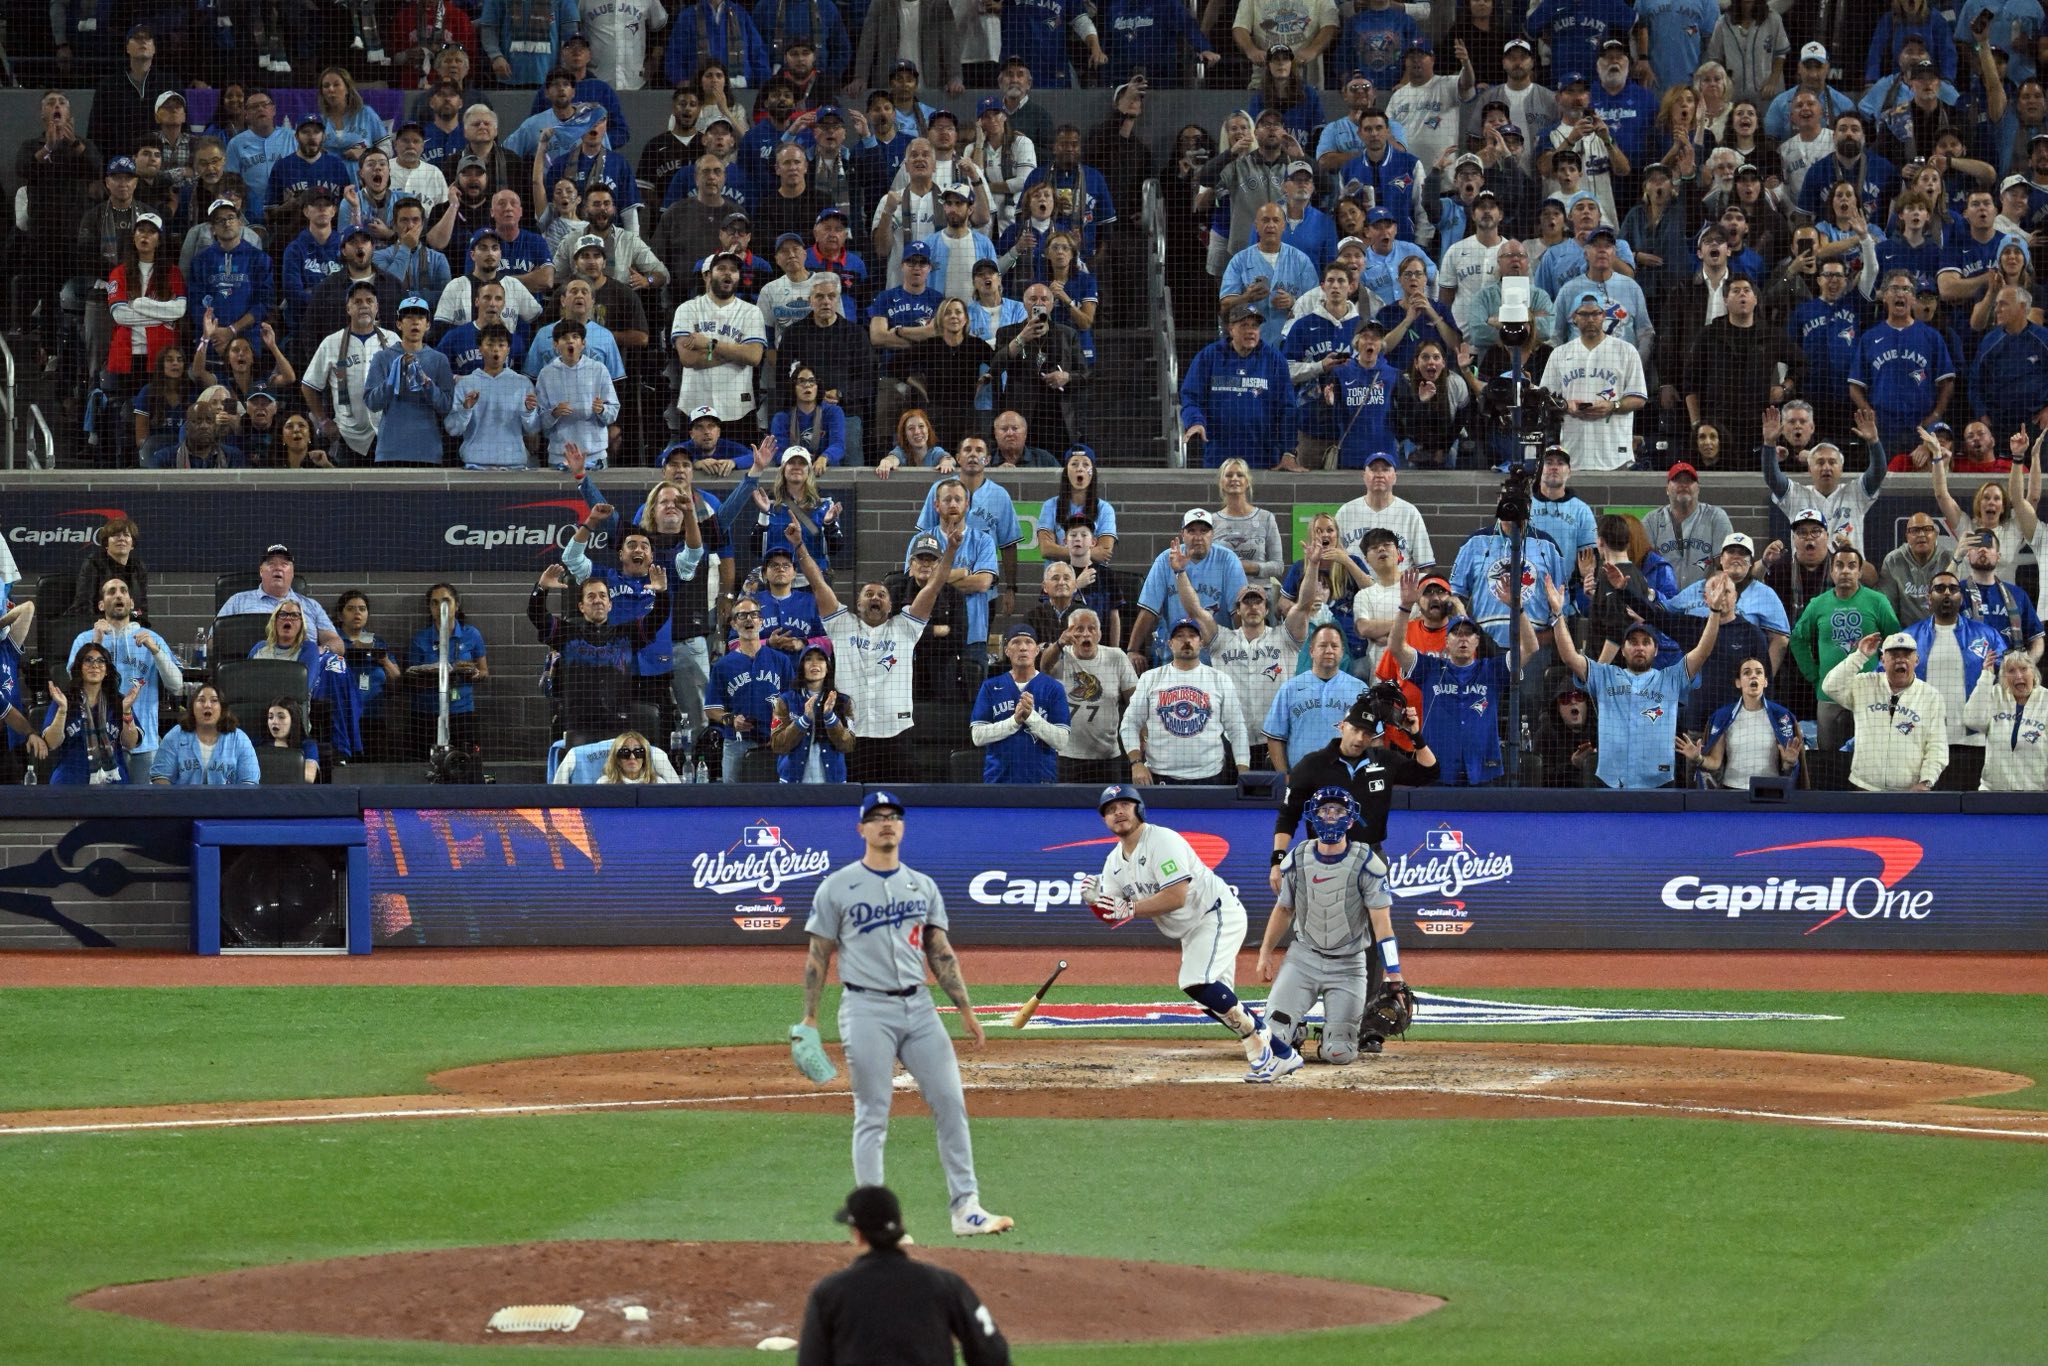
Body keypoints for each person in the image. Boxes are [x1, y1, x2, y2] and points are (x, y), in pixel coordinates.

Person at [800, 791, 1012, 1236]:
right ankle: (875, 1221)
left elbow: (940, 951)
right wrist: (811, 1019)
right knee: (873, 1113)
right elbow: (818, 954)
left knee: (951, 1103)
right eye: (876, 818)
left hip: (919, 1007)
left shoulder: (922, 884)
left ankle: (966, 1209)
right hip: (865, 1008)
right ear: (861, 829)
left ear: (903, 826)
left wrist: (965, 1009)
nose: (886, 824)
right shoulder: (837, 887)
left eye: (893, 817)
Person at [1084, 785, 1302, 1081]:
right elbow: (1112, 917)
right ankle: (1282, 1053)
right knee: (1209, 999)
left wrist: (1130, 908)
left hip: (1216, 914)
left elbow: (1176, 897)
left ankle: (1262, 1049)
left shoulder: (1162, 841)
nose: (1118, 812)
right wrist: (1096, 902)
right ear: (1105, 820)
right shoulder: (1114, 862)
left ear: (1139, 809)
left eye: (1124, 804)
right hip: (1193, 929)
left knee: (1195, 981)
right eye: (1110, 809)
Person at [789, 524, 961, 784]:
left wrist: (951, 549)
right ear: (858, 604)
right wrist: (799, 546)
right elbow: (817, 583)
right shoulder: (842, 624)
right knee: (851, 807)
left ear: (890, 605)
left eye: (882, 594)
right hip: (851, 735)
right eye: (868, 594)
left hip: (897, 734)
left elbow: (933, 587)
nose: (875, 597)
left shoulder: (905, 627)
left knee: (899, 805)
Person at [1258, 786, 1401, 1065]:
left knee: (1340, 1053)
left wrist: (1394, 973)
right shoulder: (1298, 857)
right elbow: (1284, 909)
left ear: (1350, 818)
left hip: (1348, 965)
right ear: (1314, 814)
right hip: (1303, 959)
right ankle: (1294, 1031)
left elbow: (1383, 925)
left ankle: (1332, 1037)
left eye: (1338, 811)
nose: (1330, 817)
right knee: (1272, 1041)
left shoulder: (1367, 863)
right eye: (1324, 810)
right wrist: (1265, 952)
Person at [798, 1183, 1011, 1364]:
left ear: (857, 1234)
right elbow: (993, 1355)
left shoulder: (829, 1293)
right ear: (901, 1225)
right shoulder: (946, 1284)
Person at [1547, 571, 1723, 789]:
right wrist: (1557, 614)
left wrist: (1714, 612)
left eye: (1646, 642)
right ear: (1622, 649)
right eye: (1633, 642)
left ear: (1656, 650)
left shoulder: (1671, 678)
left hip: (1659, 783)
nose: (1639, 647)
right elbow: (1570, 657)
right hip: (1611, 782)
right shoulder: (1604, 675)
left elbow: (1703, 652)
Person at [529, 560, 671, 750]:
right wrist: (541, 588)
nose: (598, 600)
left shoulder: (627, 634)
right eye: (591, 596)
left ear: (610, 604)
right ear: (581, 606)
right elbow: (536, 615)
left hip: (618, 725)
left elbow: (658, 617)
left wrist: (661, 593)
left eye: (603, 595)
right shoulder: (566, 634)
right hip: (577, 725)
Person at [66, 577, 183, 786]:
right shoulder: (84, 640)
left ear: (131, 603)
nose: (118, 595)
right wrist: (96, 643)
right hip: (98, 743)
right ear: (101, 605)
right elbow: (73, 684)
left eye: (123, 591)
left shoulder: (152, 638)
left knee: (144, 811)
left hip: (143, 744)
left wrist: (155, 650)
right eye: (111, 591)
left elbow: (176, 686)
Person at [1792, 547, 1903, 751]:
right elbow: (1797, 639)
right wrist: (1814, 675)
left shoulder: (1877, 601)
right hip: (1828, 694)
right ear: (1832, 571)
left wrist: (1886, 678)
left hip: (1870, 694)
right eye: (1839, 565)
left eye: (1852, 566)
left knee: (1870, 755)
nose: (1845, 571)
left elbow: (1896, 643)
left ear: (1860, 572)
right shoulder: (1818, 604)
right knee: (1828, 758)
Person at [1121, 617, 1249, 784]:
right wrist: (1136, 763)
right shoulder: (1150, 678)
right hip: (1160, 774)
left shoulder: (1221, 679)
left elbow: (1237, 729)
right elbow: (1130, 723)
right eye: (1180, 636)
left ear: (1201, 643)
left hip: (1210, 776)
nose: (1187, 640)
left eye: (1192, 635)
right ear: (1170, 643)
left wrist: (1244, 772)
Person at [1822, 632, 1950, 791]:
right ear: (1883, 660)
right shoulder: (1864, 684)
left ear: (1916, 660)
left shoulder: (1931, 697)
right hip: (1864, 787)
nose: (1900, 659)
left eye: (1907, 655)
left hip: (1909, 791)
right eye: (1894, 655)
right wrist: (1860, 656)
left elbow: (1937, 746)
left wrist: (1926, 781)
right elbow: (1830, 687)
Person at [1541, 289, 1648, 470]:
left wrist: (1613, 406)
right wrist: (1566, 405)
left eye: (1595, 313)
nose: (1590, 319)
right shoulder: (1559, 354)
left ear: (1603, 315)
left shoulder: (1626, 351)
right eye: (1584, 314)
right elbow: (1545, 399)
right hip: (1573, 452)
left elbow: (1639, 398)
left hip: (1614, 453)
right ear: (1574, 317)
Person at [1180, 304, 1296, 468]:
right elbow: (1190, 397)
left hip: (1264, 457)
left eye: (1254, 326)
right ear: (1230, 329)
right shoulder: (1209, 357)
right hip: (1219, 456)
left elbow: (1287, 408)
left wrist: (1288, 450)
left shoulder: (1274, 360)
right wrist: (1195, 421)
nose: (1250, 331)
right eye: (1244, 326)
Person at [706, 593, 798, 779]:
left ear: (761, 622)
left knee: (776, 799)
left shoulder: (781, 661)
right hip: (737, 742)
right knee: (732, 800)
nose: (749, 619)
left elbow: (794, 701)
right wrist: (731, 720)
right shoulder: (722, 665)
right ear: (733, 624)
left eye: (754, 615)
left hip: (775, 741)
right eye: (742, 615)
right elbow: (711, 708)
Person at [969, 623, 1072, 783]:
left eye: (1028, 642)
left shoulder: (1054, 688)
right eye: (1016, 642)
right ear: (1006, 651)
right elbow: (978, 736)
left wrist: (1031, 717)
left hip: (1041, 781)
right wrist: (1014, 721)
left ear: (1037, 650)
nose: (1023, 647)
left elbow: (1061, 741)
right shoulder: (990, 686)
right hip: (998, 781)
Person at [1682, 657, 1804, 789]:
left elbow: (1785, 768)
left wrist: (1790, 762)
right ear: (1738, 683)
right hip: (1732, 791)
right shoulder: (1724, 716)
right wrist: (1698, 758)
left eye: (1759, 672)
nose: (1753, 676)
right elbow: (1715, 762)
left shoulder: (1781, 716)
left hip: (1770, 791)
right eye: (1747, 672)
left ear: (1765, 682)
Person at [405, 584, 489, 762]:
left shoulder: (471, 635)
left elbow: (484, 671)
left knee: (463, 764)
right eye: (434, 603)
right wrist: (432, 675)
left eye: (445, 601)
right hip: (426, 713)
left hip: (462, 712)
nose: (440, 607)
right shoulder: (420, 638)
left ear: (456, 605)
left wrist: (473, 673)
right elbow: (411, 678)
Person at [38, 642, 141, 786]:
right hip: (70, 783)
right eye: (88, 660)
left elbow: (130, 743)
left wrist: (126, 711)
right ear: (79, 667)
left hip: (114, 785)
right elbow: (52, 743)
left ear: (107, 670)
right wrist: (62, 710)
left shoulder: (119, 701)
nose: (95, 665)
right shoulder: (63, 700)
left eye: (101, 661)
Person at [218, 544, 345, 650]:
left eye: (284, 564)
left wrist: (321, 651)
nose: (278, 568)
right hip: (249, 670)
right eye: (271, 564)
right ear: (261, 571)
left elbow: (337, 643)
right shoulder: (237, 601)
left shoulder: (311, 606)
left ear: (292, 572)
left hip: (302, 671)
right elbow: (213, 641)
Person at [1965, 652, 2048, 791]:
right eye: (2011, 671)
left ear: (2033, 672)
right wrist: (1986, 677)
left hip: (2037, 794)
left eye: (2023, 669)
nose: (2019, 676)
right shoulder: (1995, 694)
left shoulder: (2046, 700)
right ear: (2004, 677)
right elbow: (1973, 721)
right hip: (1992, 793)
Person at [150, 684, 260, 787]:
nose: (207, 705)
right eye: (201, 700)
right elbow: (161, 776)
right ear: (192, 707)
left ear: (222, 709)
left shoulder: (240, 739)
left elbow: (249, 782)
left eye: (214, 701)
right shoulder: (175, 736)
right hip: (183, 804)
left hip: (229, 804)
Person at [67, 518, 152, 624]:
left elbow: (140, 610)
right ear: (106, 543)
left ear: (132, 544)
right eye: (116, 535)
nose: (121, 539)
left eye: (126, 535)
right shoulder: (93, 564)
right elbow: (83, 606)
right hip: (97, 625)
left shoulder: (138, 567)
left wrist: (136, 624)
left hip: (127, 627)